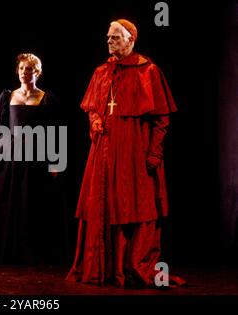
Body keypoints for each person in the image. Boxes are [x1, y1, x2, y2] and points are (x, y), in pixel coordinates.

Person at [66, 19, 184, 288]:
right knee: (101, 204)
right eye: (108, 37)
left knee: (133, 206)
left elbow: (162, 119)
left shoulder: (148, 71)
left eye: (115, 38)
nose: (109, 42)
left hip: (134, 154)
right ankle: (102, 267)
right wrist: (95, 121)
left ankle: (130, 266)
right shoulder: (101, 71)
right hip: (103, 153)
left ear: (131, 39)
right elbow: (93, 107)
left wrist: (154, 153)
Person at [0, 53, 69, 266]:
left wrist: (55, 162)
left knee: (33, 203)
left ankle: (34, 253)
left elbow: (56, 132)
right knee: (11, 203)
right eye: (22, 68)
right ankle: (12, 253)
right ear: (18, 71)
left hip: (37, 158)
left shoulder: (47, 99)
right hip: (12, 157)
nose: (25, 73)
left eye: (30, 69)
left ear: (37, 73)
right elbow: (0, 128)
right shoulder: (7, 96)